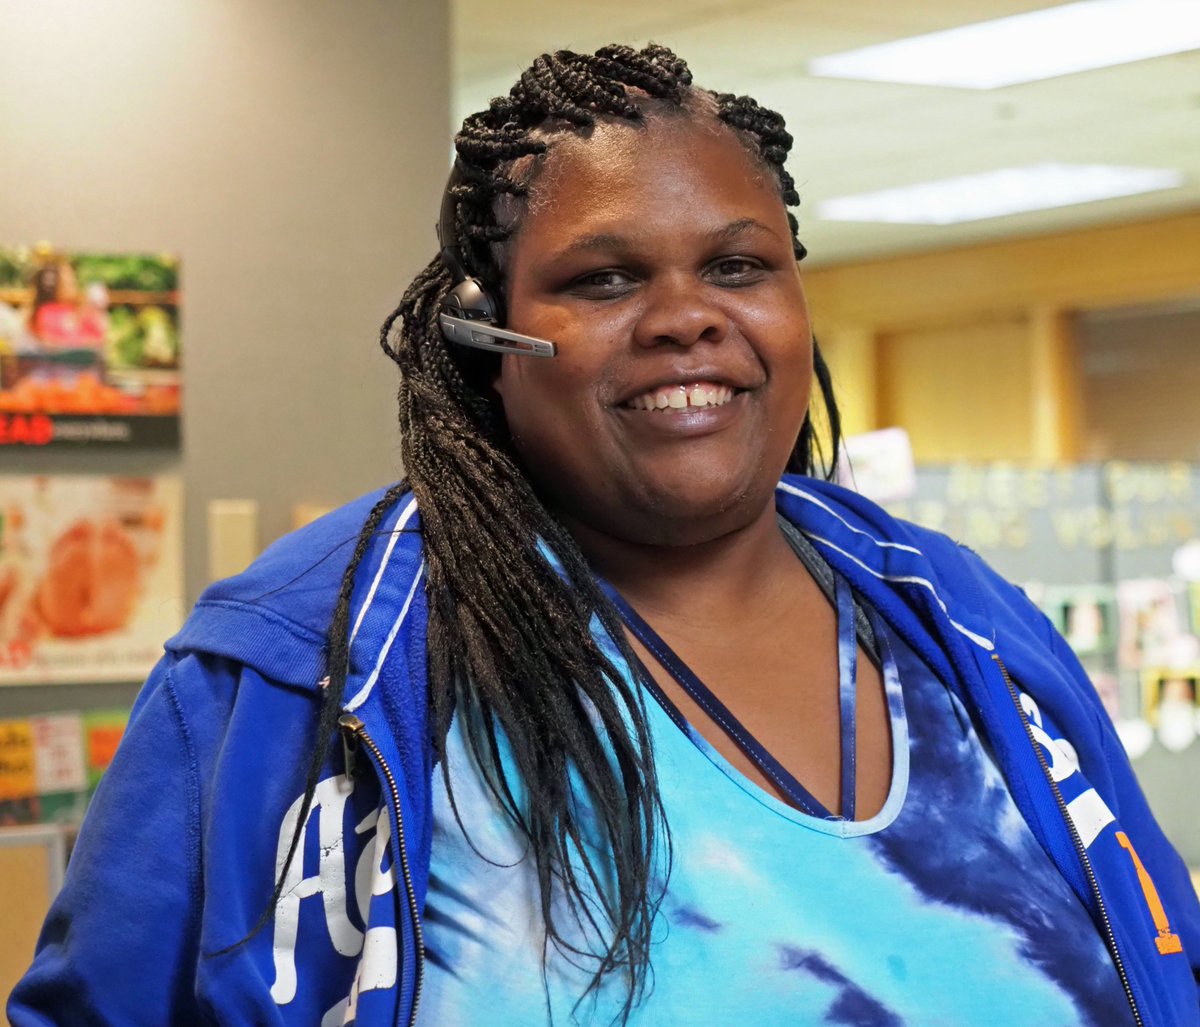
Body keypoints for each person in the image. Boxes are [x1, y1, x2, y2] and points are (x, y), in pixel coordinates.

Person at [9, 43, 1200, 1027]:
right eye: (605, 278)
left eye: (739, 265)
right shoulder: (293, 661)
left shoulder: (954, 615)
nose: (687, 319)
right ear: (483, 332)